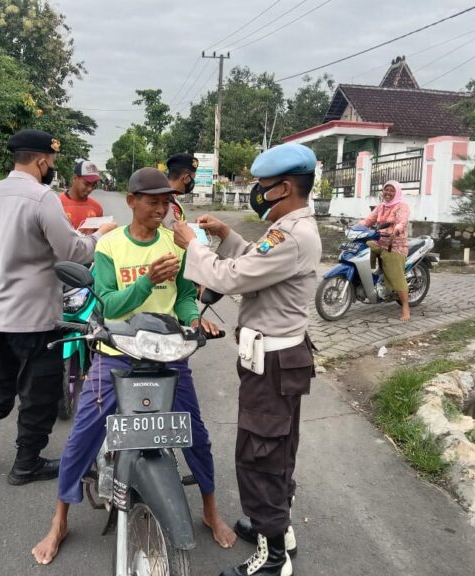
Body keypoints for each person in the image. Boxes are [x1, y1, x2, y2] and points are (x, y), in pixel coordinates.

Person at [31, 167, 237, 565]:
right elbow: (107, 304)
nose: (161, 209)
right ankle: (59, 520)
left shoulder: (175, 245)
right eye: (153, 201)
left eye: (166, 202)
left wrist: (194, 320)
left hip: (167, 355)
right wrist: (145, 282)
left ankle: (211, 509)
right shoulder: (109, 247)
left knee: (196, 434)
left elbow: (182, 300)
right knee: (82, 437)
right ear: (131, 202)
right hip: (117, 354)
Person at [173, 143, 322, 576]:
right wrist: (226, 235)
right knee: (276, 449)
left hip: (273, 362)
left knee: (259, 455)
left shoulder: (292, 235)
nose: (257, 193)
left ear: (285, 188)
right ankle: (275, 528)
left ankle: (272, 559)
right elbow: (257, 261)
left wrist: (193, 245)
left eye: (262, 186)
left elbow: (229, 277)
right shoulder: (288, 228)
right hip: (277, 359)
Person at [0, 129, 117, 486]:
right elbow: (73, 252)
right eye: (52, 163)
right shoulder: (42, 197)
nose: (51, 168)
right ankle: (26, 463)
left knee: (1, 378)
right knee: (39, 392)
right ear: (42, 160)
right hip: (33, 316)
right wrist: (99, 235)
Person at [360, 179, 411, 321]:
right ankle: (369, 277)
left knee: (396, 276)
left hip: (394, 245)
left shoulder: (402, 206)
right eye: (386, 190)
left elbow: (402, 221)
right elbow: (369, 220)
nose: (388, 193)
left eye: (391, 190)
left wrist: (398, 228)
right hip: (379, 242)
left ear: (397, 192)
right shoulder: (381, 206)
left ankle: (405, 307)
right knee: (363, 246)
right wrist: (357, 226)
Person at [59, 160, 104, 231]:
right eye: (86, 184)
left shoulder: (97, 208)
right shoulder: (57, 203)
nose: (90, 189)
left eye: (93, 185)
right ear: (74, 178)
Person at [162, 152, 198, 229]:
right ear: (186, 178)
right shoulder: (166, 200)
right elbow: (175, 234)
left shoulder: (168, 196)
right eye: (193, 179)